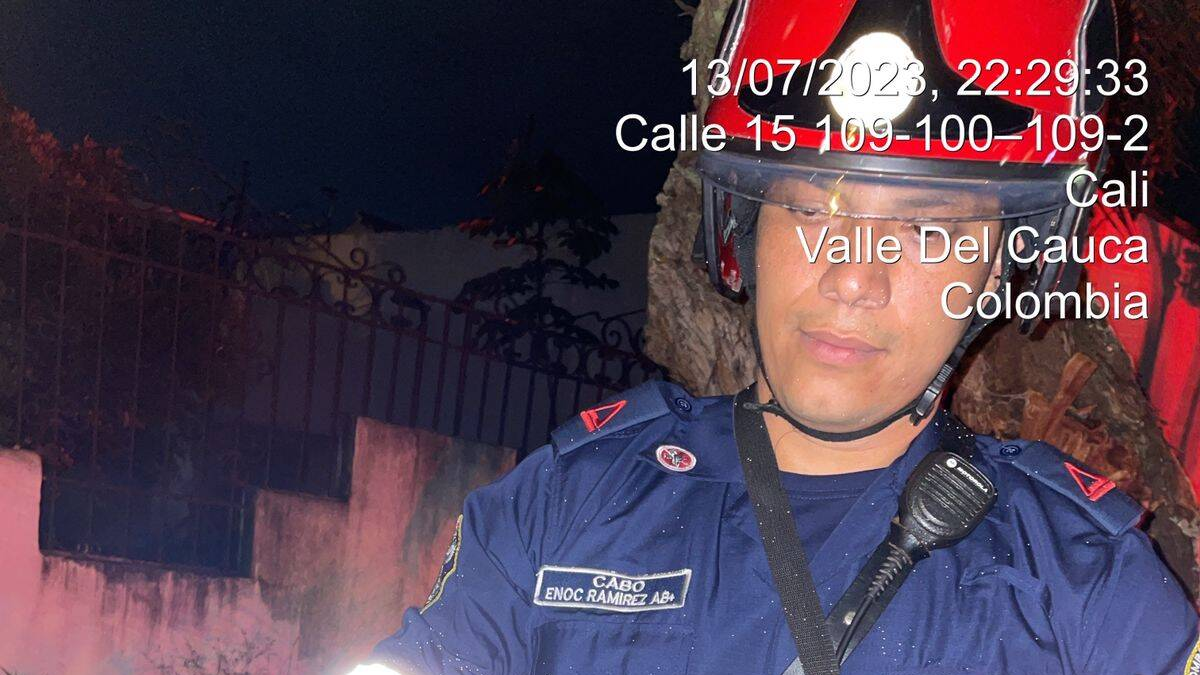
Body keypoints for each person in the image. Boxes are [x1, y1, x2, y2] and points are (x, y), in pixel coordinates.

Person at [354, 0, 1199, 673]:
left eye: (927, 227)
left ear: (1004, 269)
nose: (853, 276)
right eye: (812, 207)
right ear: (743, 225)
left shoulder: (1084, 580)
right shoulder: (563, 506)